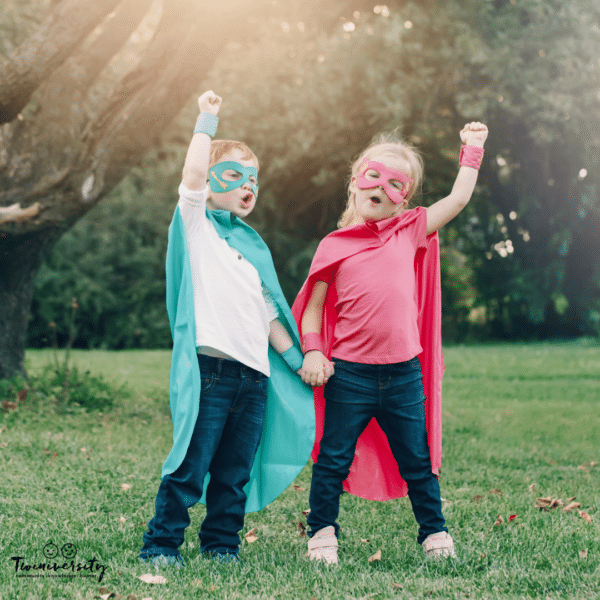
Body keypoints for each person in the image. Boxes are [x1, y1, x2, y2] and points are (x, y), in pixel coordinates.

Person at [292, 122, 489, 564]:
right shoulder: (334, 245)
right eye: (374, 176)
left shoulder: (411, 231)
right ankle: (322, 534)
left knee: (417, 461)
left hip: (403, 374)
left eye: (395, 183)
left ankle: (434, 533)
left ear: (405, 196)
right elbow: (312, 308)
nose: (381, 186)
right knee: (332, 459)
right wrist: (313, 350)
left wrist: (471, 150)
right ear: (356, 182)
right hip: (351, 375)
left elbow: (457, 200)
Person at [140, 91, 315, 567]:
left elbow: (270, 317)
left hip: (253, 379)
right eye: (235, 175)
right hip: (211, 372)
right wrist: (206, 121)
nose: (247, 186)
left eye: (253, 179)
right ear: (214, 183)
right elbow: (193, 176)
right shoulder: (196, 227)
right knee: (190, 464)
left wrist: (298, 363)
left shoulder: (251, 248)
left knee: (234, 472)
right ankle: (161, 543)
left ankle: (221, 544)